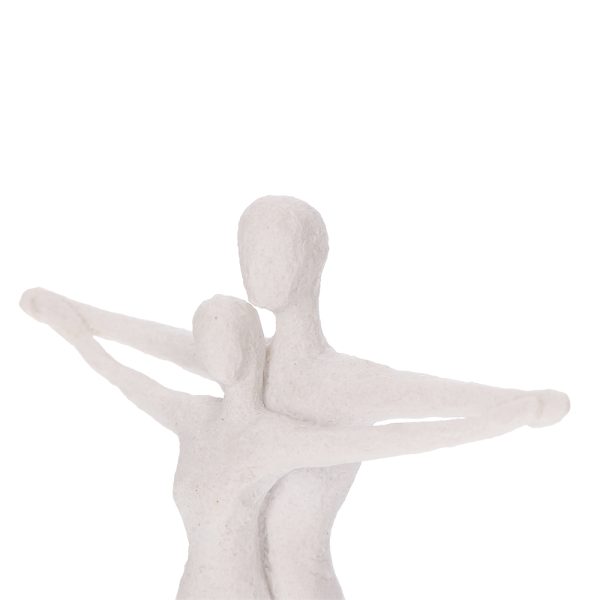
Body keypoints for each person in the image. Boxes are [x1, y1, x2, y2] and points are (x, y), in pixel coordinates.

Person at [23, 196, 570, 599]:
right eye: (247, 250)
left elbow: (432, 402)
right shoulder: (242, 357)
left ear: (313, 257)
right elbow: (157, 346)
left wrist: (519, 406)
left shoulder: (346, 382)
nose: (255, 265)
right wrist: (72, 317)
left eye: (272, 249)